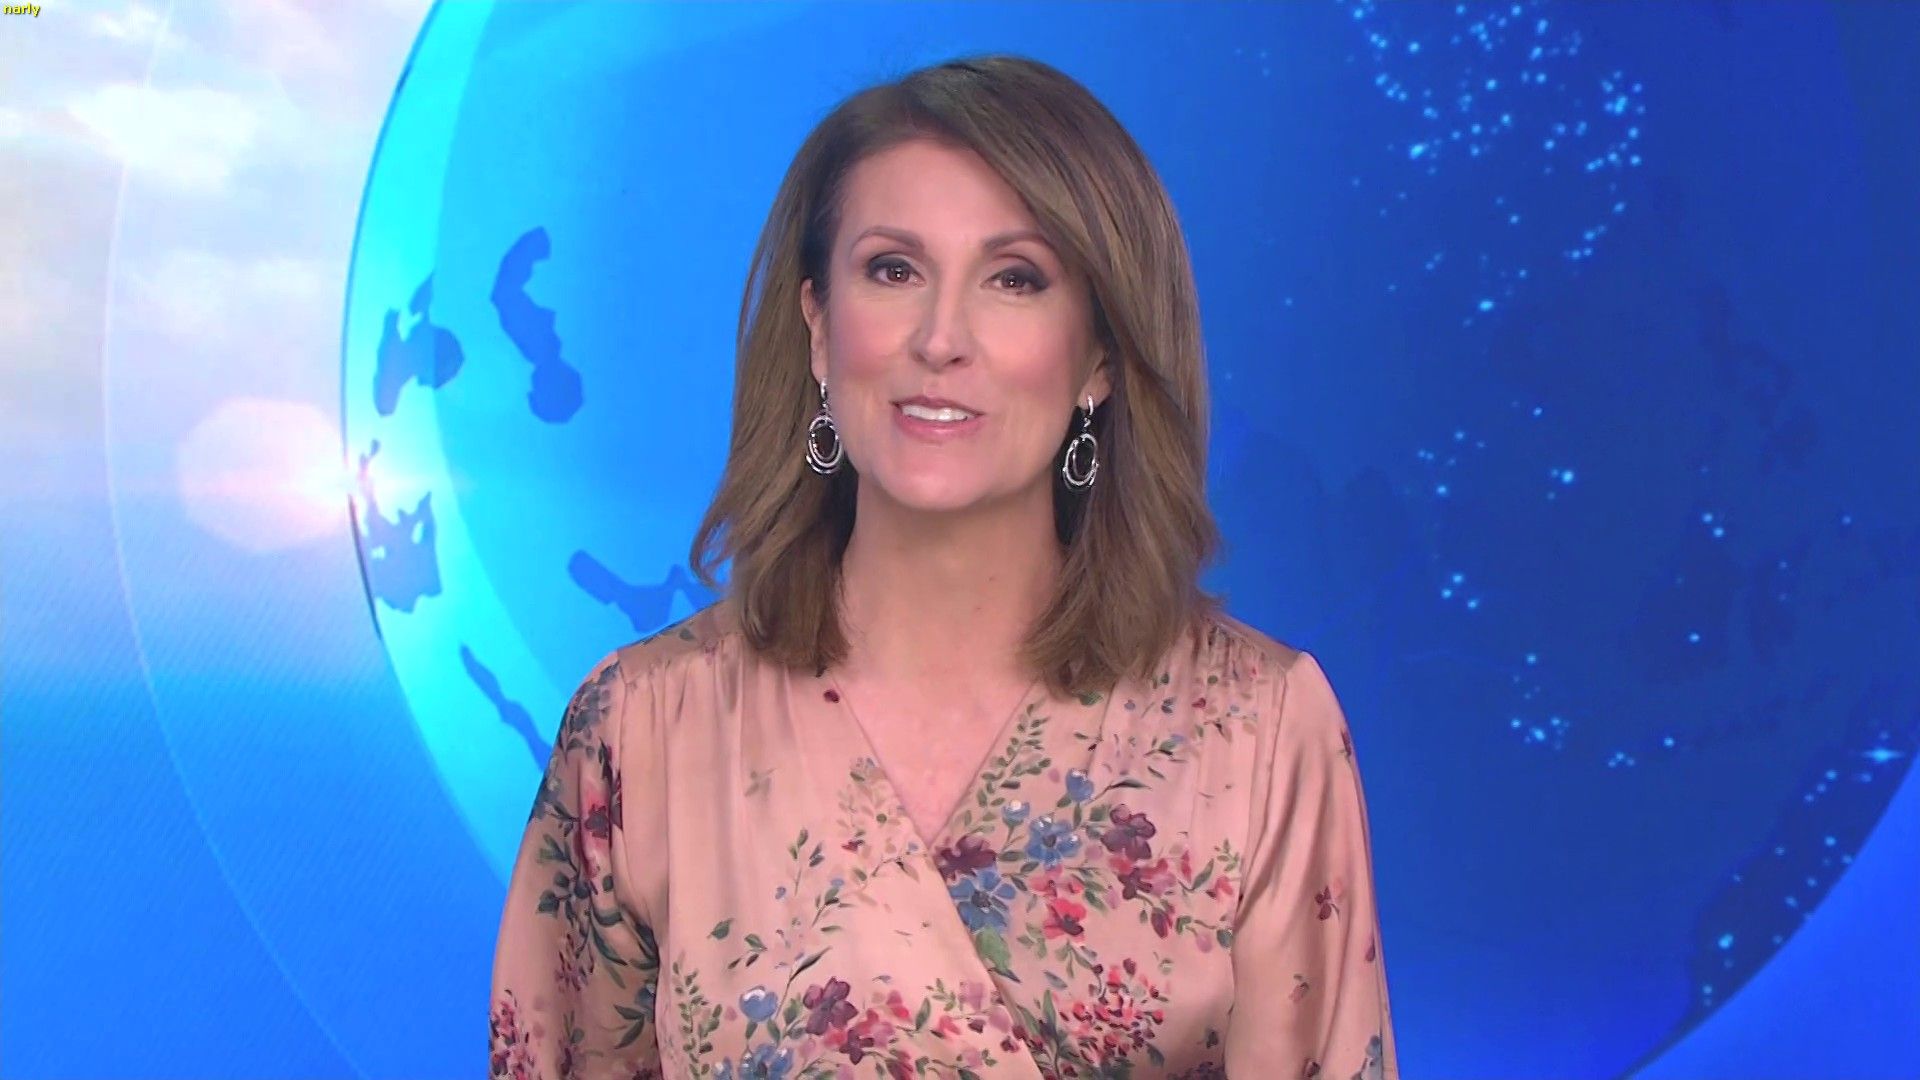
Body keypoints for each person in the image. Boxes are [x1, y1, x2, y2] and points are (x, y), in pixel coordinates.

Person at [490, 54, 1398, 1080]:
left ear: (1100, 356)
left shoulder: (1262, 734)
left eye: (1015, 279)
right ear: (819, 328)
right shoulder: (642, 731)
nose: (940, 339)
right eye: (893, 270)